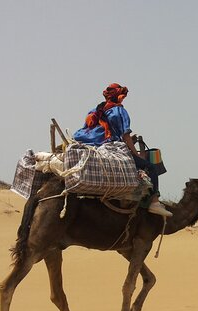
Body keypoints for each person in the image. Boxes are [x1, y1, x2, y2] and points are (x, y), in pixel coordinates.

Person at [73, 83, 171, 216]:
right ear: (120, 97)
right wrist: (136, 154)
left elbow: (86, 129)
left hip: (88, 145)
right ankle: (154, 202)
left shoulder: (94, 111)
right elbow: (125, 136)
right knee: (150, 167)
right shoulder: (119, 111)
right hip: (110, 146)